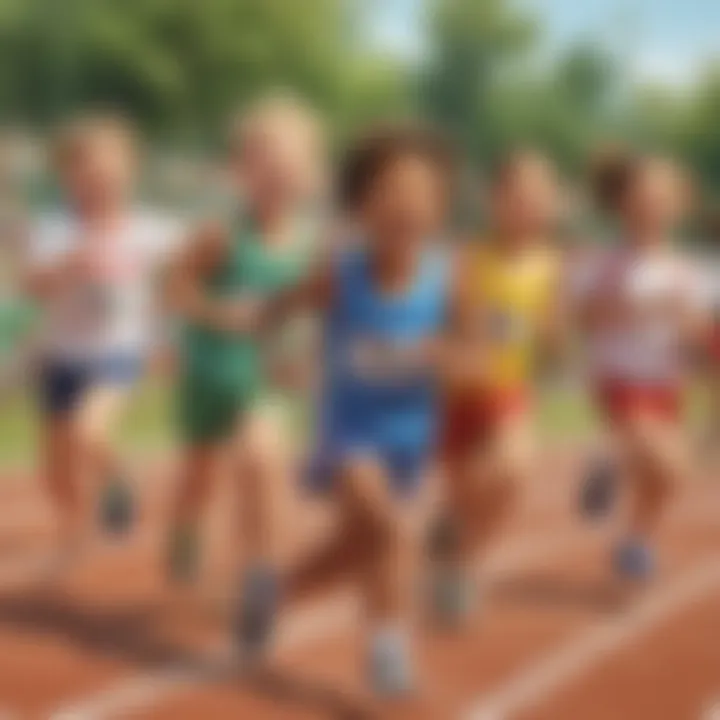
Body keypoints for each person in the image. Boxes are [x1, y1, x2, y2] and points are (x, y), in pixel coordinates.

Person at [236, 123, 455, 696]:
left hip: (412, 439)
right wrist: (275, 357)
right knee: (395, 531)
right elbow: (278, 308)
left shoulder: (447, 280)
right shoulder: (342, 274)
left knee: (358, 546)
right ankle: (387, 649)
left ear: (439, 208)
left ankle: (275, 592)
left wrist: (454, 355)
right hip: (350, 435)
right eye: (390, 193)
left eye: (420, 196)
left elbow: (479, 346)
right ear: (361, 205)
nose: (405, 207)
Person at [165, 94, 326, 584]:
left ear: (309, 174)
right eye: (263, 164)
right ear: (242, 172)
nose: (276, 175)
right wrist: (219, 312)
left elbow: (318, 313)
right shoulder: (221, 234)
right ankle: (186, 529)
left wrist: (311, 359)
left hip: (266, 381)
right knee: (200, 475)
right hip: (210, 376)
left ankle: (258, 569)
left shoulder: (313, 246)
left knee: (260, 460)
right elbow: (174, 288)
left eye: (288, 165)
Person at [22, 113, 181, 555]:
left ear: (129, 174)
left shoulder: (153, 232)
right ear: (67, 177)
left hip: (118, 352)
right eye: (84, 172)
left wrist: (170, 340)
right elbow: (32, 285)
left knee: (88, 433)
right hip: (61, 356)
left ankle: (120, 484)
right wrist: (67, 266)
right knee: (56, 473)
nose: (96, 182)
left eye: (108, 173)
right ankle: (76, 527)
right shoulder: (54, 230)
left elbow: (180, 286)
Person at [429, 150, 562, 625]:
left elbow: (551, 337)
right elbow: (443, 324)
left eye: (539, 198)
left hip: (509, 394)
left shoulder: (549, 266)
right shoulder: (467, 258)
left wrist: (549, 343)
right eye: (518, 197)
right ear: (495, 201)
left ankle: (463, 570)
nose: (528, 208)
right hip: (458, 397)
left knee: (513, 473)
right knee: (466, 496)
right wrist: (462, 345)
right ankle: (451, 541)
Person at [572, 151, 707, 579]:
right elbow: (584, 315)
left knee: (667, 476)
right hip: (619, 379)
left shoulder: (689, 270)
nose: (653, 206)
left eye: (663, 197)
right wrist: (636, 305)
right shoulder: (604, 262)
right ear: (623, 204)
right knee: (668, 463)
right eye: (644, 196)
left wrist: (694, 330)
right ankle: (609, 463)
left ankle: (636, 539)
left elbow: (698, 335)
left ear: (680, 204)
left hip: (666, 383)